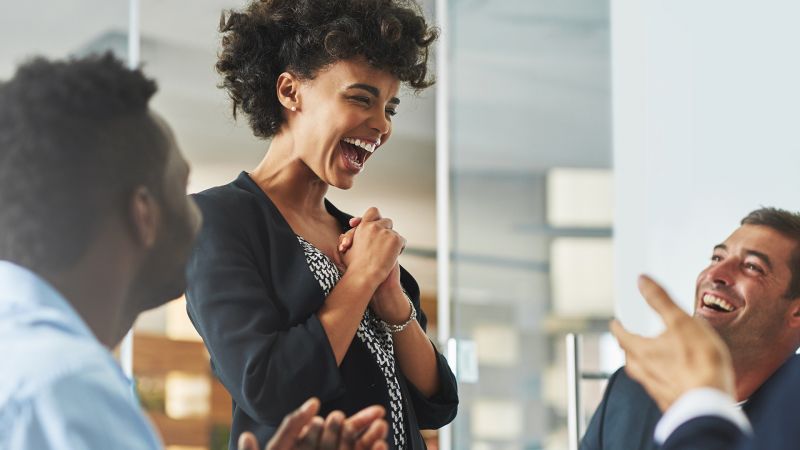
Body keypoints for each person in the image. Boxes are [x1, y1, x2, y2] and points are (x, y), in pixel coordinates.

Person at [0, 54, 388, 450]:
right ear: (144, 214)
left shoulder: (26, 364)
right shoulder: (65, 388)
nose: (199, 217)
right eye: (181, 190)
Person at [184, 0, 459, 449]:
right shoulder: (217, 222)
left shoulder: (356, 235)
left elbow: (436, 402)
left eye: (390, 107)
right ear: (290, 92)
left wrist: (392, 305)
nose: (381, 125)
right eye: (360, 98)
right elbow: (269, 388)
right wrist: (361, 279)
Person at [580, 207, 800, 450]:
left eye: (752, 267)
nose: (715, 274)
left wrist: (699, 409)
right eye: (717, 258)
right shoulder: (631, 388)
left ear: (797, 312)